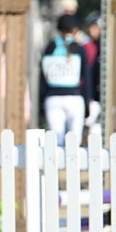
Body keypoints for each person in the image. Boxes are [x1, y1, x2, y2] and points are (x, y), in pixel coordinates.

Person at [40, 14, 92, 146]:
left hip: (52, 98)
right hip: (74, 98)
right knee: (75, 140)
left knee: (57, 141)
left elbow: (43, 78)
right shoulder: (79, 49)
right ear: (74, 30)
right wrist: (87, 102)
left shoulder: (50, 48)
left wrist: (41, 101)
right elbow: (86, 78)